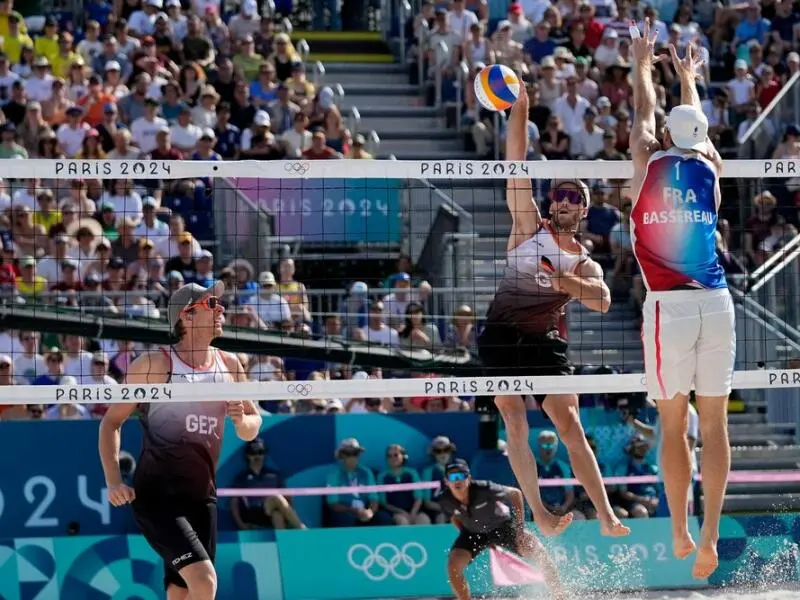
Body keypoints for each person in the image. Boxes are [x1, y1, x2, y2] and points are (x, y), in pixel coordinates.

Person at [476, 88, 628, 539]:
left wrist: (562, 283)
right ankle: (539, 511)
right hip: (501, 335)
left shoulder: (584, 260)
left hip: (544, 342)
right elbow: (515, 164)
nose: (562, 200)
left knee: (570, 423)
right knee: (513, 417)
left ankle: (605, 514)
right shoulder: (527, 227)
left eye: (571, 196)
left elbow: (602, 301)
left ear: (583, 209)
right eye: (557, 194)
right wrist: (520, 108)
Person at [628, 21, 734, 580]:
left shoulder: (646, 161)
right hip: (717, 301)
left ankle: (678, 531)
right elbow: (696, 130)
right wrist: (688, 80)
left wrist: (644, 64)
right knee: (713, 423)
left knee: (675, 425)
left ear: (667, 136)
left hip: (668, 305)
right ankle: (712, 535)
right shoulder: (711, 169)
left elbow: (644, 115)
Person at [98, 281, 263, 600]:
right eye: (211, 304)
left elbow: (251, 428)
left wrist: (241, 419)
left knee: (181, 592)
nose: (222, 309)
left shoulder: (229, 365)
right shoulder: (155, 365)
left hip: (202, 497)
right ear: (186, 317)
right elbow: (111, 422)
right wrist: (114, 480)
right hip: (157, 496)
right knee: (205, 583)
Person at [435, 460, 565, 600]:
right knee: (453, 566)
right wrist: (464, 532)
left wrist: (520, 529)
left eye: (461, 476)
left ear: (469, 478)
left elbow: (515, 494)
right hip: (472, 533)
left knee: (538, 550)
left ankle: (560, 596)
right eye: (453, 477)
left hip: (501, 526)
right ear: (446, 481)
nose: (457, 481)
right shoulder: (444, 500)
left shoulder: (485, 489)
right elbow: (454, 517)